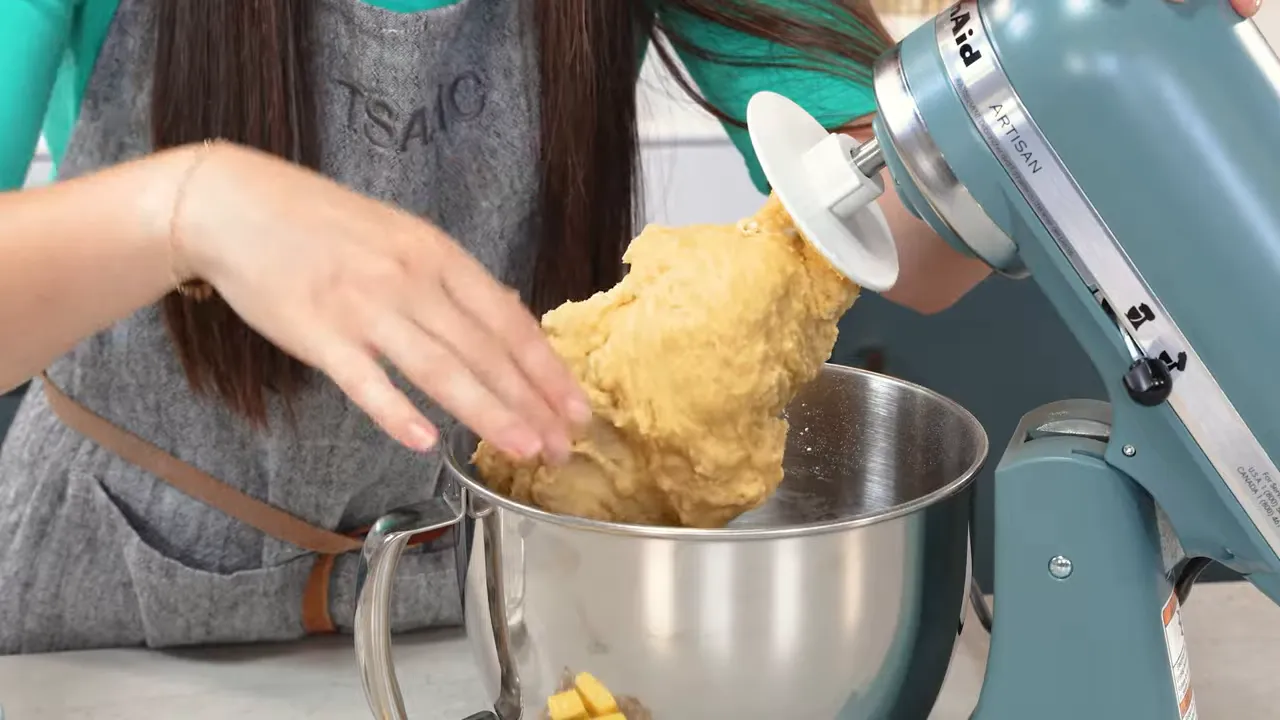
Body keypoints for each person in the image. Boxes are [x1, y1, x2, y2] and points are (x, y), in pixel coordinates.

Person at [0, 0, 1261, 654]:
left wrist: (1059, 62)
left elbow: (914, 254)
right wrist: (183, 205)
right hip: (103, 608)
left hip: (492, 628)